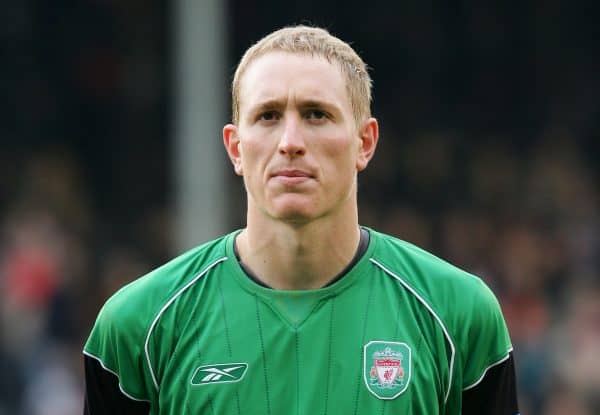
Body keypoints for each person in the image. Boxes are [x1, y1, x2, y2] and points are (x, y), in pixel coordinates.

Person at [83, 25, 519, 414]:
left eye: (316, 114)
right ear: (236, 148)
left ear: (365, 142)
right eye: (268, 116)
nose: (290, 141)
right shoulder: (137, 327)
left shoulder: (459, 315)